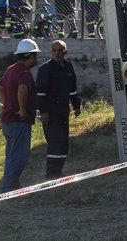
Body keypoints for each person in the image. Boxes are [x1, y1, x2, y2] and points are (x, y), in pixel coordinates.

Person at [0, 39, 41, 192]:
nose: (36, 59)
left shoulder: (10, 69)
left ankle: (12, 186)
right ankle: (9, 189)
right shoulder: (24, 73)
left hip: (8, 120)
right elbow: (23, 89)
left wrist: (6, 104)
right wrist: (22, 109)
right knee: (19, 156)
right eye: (35, 55)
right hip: (18, 121)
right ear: (29, 56)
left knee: (11, 155)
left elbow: (0, 86)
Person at [36, 40, 80, 179]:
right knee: (55, 141)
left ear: (65, 52)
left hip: (63, 110)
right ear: (51, 52)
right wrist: (43, 112)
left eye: (60, 50)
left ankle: (59, 171)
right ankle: (51, 173)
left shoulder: (68, 67)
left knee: (63, 141)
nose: (57, 53)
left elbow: (72, 89)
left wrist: (76, 105)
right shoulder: (45, 69)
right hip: (50, 111)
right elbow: (40, 93)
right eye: (54, 50)